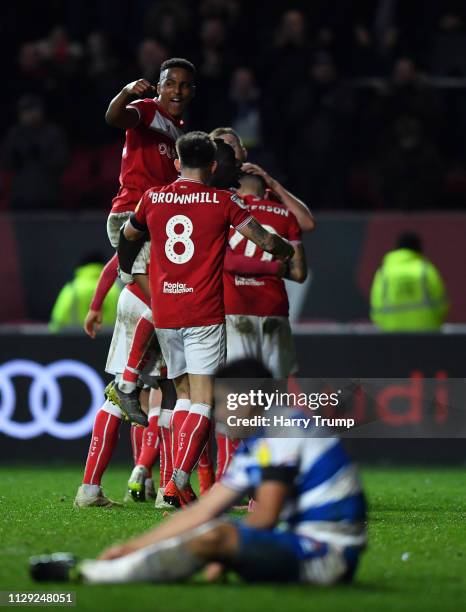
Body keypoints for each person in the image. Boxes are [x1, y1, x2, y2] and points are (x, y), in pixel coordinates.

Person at [30, 359, 367, 587]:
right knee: (213, 531)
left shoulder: (283, 432)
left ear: (246, 399)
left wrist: (229, 546)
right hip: (306, 547)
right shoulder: (263, 440)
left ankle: (90, 574)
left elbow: (264, 518)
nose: (217, 414)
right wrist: (133, 545)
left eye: (221, 401)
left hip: (328, 557)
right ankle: (108, 567)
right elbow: (205, 509)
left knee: (216, 535)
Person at [118, 132, 294, 507]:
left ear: (177, 163)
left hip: (165, 313)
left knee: (180, 398)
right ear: (213, 166)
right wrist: (283, 249)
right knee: (203, 403)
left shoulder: (152, 197)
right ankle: (175, 484)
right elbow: (262, 239)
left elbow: (127, 235)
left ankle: (171, 482)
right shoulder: (222, 201)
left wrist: (125, 269)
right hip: (204, 313)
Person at [370, 232, 449, 331]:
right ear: (419, 249)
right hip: (426, 336)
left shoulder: (384, 273)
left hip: (392, 336)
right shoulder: (426, 271)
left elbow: (376, 308)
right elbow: (441, 306)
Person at [3, 94, 68, 210]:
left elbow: (61, 161)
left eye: (33, 110)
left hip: (47, 194)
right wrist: (15, 158)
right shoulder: (14, 134)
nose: (30, 115)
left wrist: (42, 157)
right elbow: (6, 163)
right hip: (20, 195)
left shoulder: (53, 133)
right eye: (26, 111)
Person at [49, 252, 120, 332]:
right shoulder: (117, 290)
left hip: (73, 343)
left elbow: (55, 325)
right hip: (110, 343)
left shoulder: (72, 290)